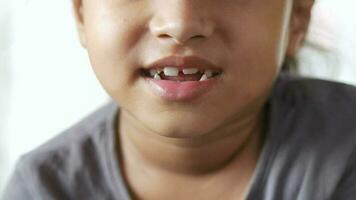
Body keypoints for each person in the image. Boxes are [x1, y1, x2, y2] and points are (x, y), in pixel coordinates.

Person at [2, 0, 356, 199]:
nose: (180, 22)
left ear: (297, 17)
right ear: (81, 13)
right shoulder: (42, 191)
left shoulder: (346, 151)